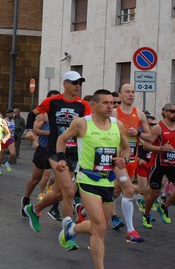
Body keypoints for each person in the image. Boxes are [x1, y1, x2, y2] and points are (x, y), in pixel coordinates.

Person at [55, 89, 130, 269]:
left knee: (101, 227)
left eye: (112, 103)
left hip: (108, 180)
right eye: (106, 103)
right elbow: (62, 139)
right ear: (94, 105)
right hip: (87, 179)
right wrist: (61, 159)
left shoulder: (117, 125)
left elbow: (126, 148)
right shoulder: (82, 123)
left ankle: (71, 229)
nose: (110, 106)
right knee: (99, 227)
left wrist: (124, 159)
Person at [23, 71, 91, 251]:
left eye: (80, 83)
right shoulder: (52, 102)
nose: (78, 86)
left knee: (60, 193)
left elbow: (90, 126)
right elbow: (31, 114)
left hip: (74, 153)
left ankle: (34, 208)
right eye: (74, 83)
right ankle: (67, 235)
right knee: (69, 192)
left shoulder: (83, 105)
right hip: (55, 151)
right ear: (65, 84)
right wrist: (29, 129)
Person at [138, 103, 175, 228]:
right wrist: (162, 148)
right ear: (164, 112)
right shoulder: (158, 128)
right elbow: (146, 146)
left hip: (173, 163)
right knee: (154, 193)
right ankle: (146, 214)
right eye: (172, 111)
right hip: (158, 163)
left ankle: (164, 206)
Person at [110, 84, 147, 243]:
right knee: (129, 190)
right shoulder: (113, 113)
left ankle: (87, 211)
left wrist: (137, 133)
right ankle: (131, 231)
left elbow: (149, 136)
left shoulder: (139, 114)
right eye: (127, 92)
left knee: (116, 191)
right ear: (120, 94)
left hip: (131, 158)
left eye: (133, 92)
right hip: (115, 160)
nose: (131, 94)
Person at [21, 90, 60, 218]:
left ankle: (54, 208)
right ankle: (26, 199)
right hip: (43, 149)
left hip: (58, 150)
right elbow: (35, 130)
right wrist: (49, 133)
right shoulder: (43, 115)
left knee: (60, 179)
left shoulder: (63, 115)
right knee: (36, 178)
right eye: (52, 100)